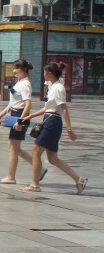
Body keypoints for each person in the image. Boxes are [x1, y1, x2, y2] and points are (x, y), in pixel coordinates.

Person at [20, 63, 88, 194]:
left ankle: (35, 185)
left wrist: (69, 129)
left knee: (36, 151)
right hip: (50, 120)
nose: (43, 75)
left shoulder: (58, 88)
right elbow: (47, 108)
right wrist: (31, 116)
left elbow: (64, 108)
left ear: (50, 73)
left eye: (44, 72)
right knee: (52, 158)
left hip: (52, 122)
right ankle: (79, 180)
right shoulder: (53, 87)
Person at [0, 60, 44, 185]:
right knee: (15, 148)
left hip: (20, 116)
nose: (13, 71)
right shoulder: (19, 82)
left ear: (23, 70)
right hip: (15, 115)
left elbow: (28, 104)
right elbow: (11, 104)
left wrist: (20, 121)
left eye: (15, 68)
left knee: (13, 149)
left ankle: (11, 177)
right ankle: (39, 168)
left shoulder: (25, 84)